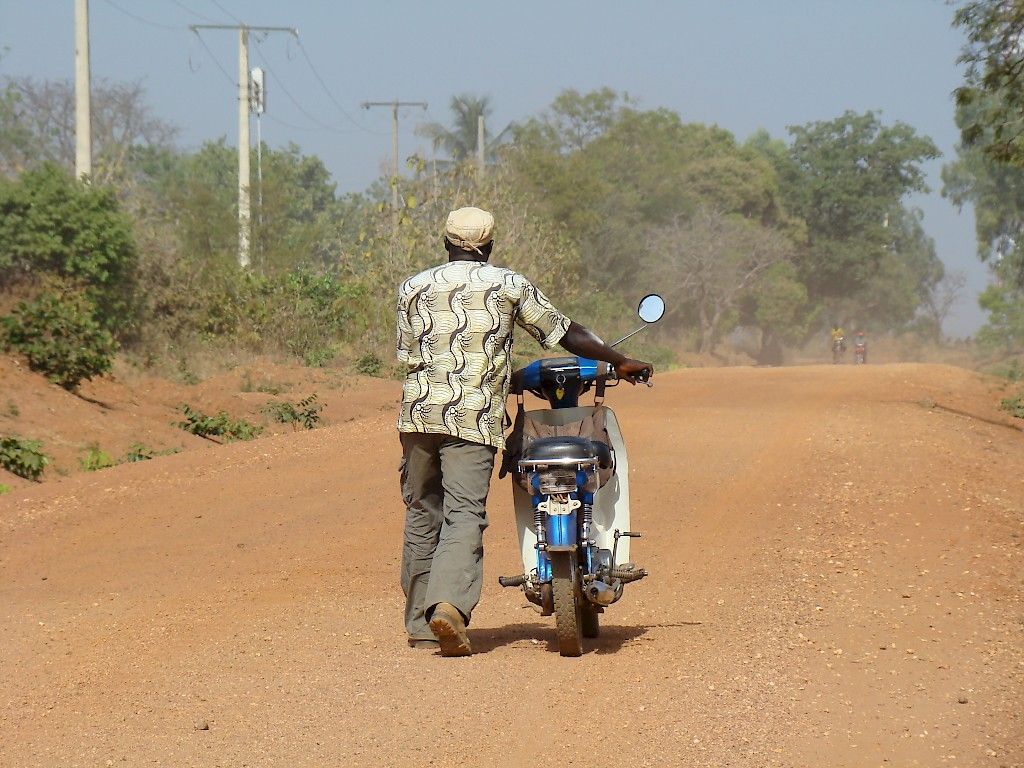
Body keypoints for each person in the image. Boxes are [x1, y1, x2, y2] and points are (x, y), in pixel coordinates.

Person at [396, 206, 653, 656]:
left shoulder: (413, 287)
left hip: (416, 416)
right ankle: (449, 608)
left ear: (445, 243)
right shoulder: (506, 284)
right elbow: (564, 333)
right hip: (470, 419)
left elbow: (413, 352)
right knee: (463, 515)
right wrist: (618, 360)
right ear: (490, 247)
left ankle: (420, 626)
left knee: (422, 512)